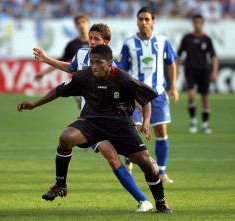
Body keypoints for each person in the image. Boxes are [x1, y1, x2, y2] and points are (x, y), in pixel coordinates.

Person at [17, 44, 172, 213]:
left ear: (110, 62)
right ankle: (60, 185)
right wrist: (34, 104)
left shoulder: (123, 78)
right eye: (92, 62)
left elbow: (145, 99)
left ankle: (161, 203)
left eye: (99, 62)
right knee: (66, 137)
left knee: (146, 163)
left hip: (120, 123)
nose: (95, 66)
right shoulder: (84, 76)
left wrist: (146, 123)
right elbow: (59, 90)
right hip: (92, 120)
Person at [117, 6, 179, 183]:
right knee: (134, 130)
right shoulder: (129, 43)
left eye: (146, 19)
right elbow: (122, 68)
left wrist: (173, 86)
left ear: (153, 22)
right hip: (135, 95)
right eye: (140, 19)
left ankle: (162, 171)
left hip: (158, 93)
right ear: (137, 21)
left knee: (161, 131)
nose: (143, 22)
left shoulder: (162, 41)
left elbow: (171, 62)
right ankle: (129, 164)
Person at [177, 14, 218, 134]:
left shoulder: (207, 39)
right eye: (195, 22)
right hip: (190, 70)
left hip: (204, 70)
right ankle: (193, 121)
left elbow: (214, 57)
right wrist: (177, 68)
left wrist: (214, 71)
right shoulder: (187, 38)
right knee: (191, 96)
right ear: (193, 23)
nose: (197, 24)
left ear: (202, 23)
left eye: (199, 22)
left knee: (205, 98)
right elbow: (179, 54)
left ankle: (205, 124)